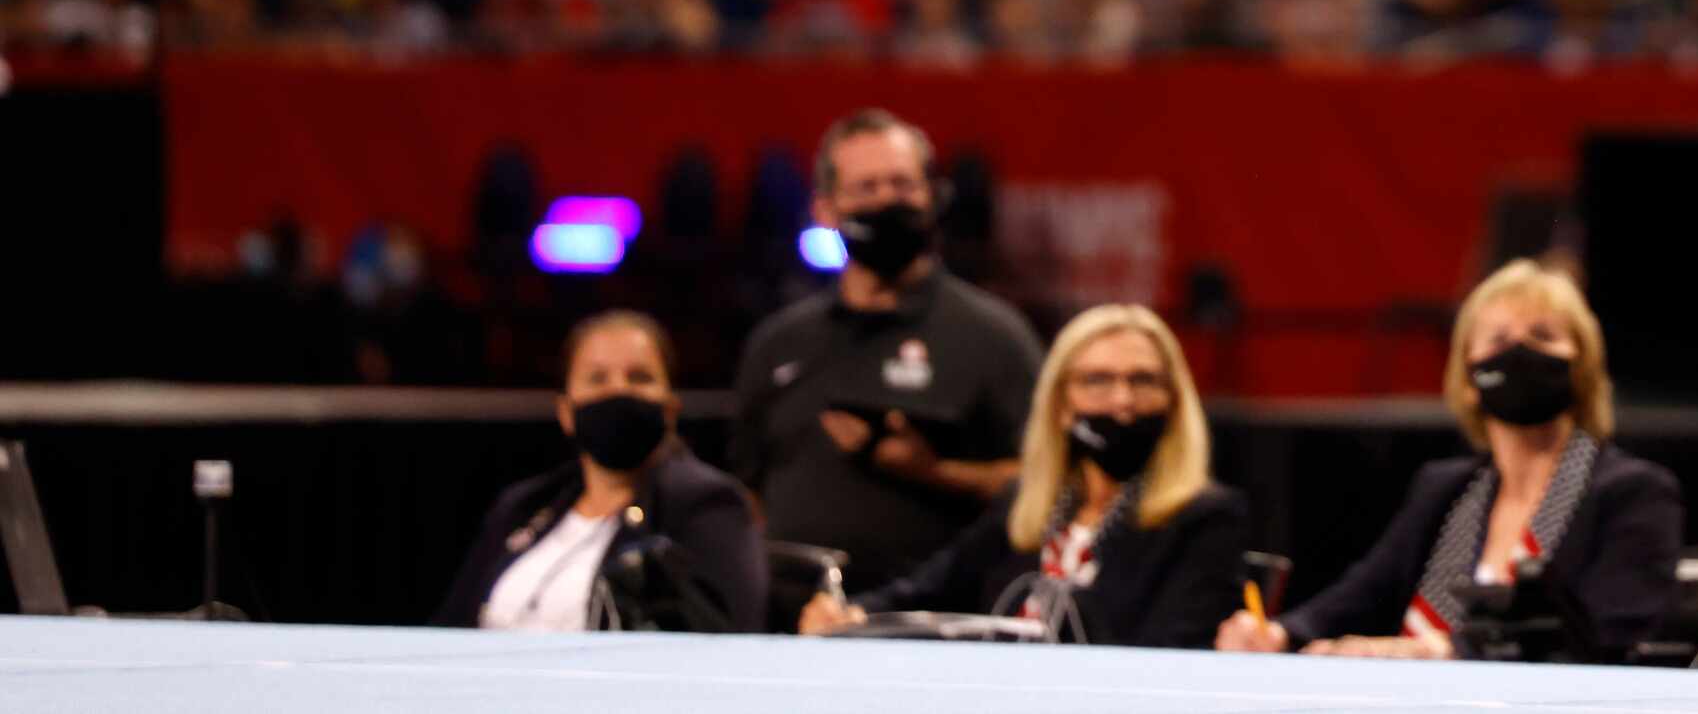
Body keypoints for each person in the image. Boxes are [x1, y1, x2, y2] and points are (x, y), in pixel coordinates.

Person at [1215, 258, 1680, 662]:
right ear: (1468, 377)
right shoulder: (1445, 488)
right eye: (1498, 341)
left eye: (1542, 336)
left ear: (1583, 365)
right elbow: (1361, 593)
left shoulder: (1632, 492)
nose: (1519, 353)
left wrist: (1444, 652)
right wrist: (1280, 633)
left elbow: (1609, 637)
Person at [800, 305, 1247, 645]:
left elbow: (1169, 651)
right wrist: (849, 613)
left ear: (1173, 400)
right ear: (1062, 403)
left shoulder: (1204, 518)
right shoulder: (1027, 505)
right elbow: (925, 590)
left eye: (1143, 381)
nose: (1122, 402)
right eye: (1097, 381)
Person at [729, 110, 1042, 593]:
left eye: (902, 185)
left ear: (934, 198)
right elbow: (748, 491)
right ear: (825, 209)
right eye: (865, 188)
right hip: (791, 625)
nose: (885, 202)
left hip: (934, 627)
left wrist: (934, 472)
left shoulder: (995, 338)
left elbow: (1047, 486)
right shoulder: (777, 344)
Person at [435, 310, 765, 632]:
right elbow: (450, 629)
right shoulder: (525, 505)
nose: (618, 390)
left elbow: (726, 637)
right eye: (597, 378)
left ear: (670, 409)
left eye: (639, 377)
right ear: (566, 412)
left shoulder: (708, 505)